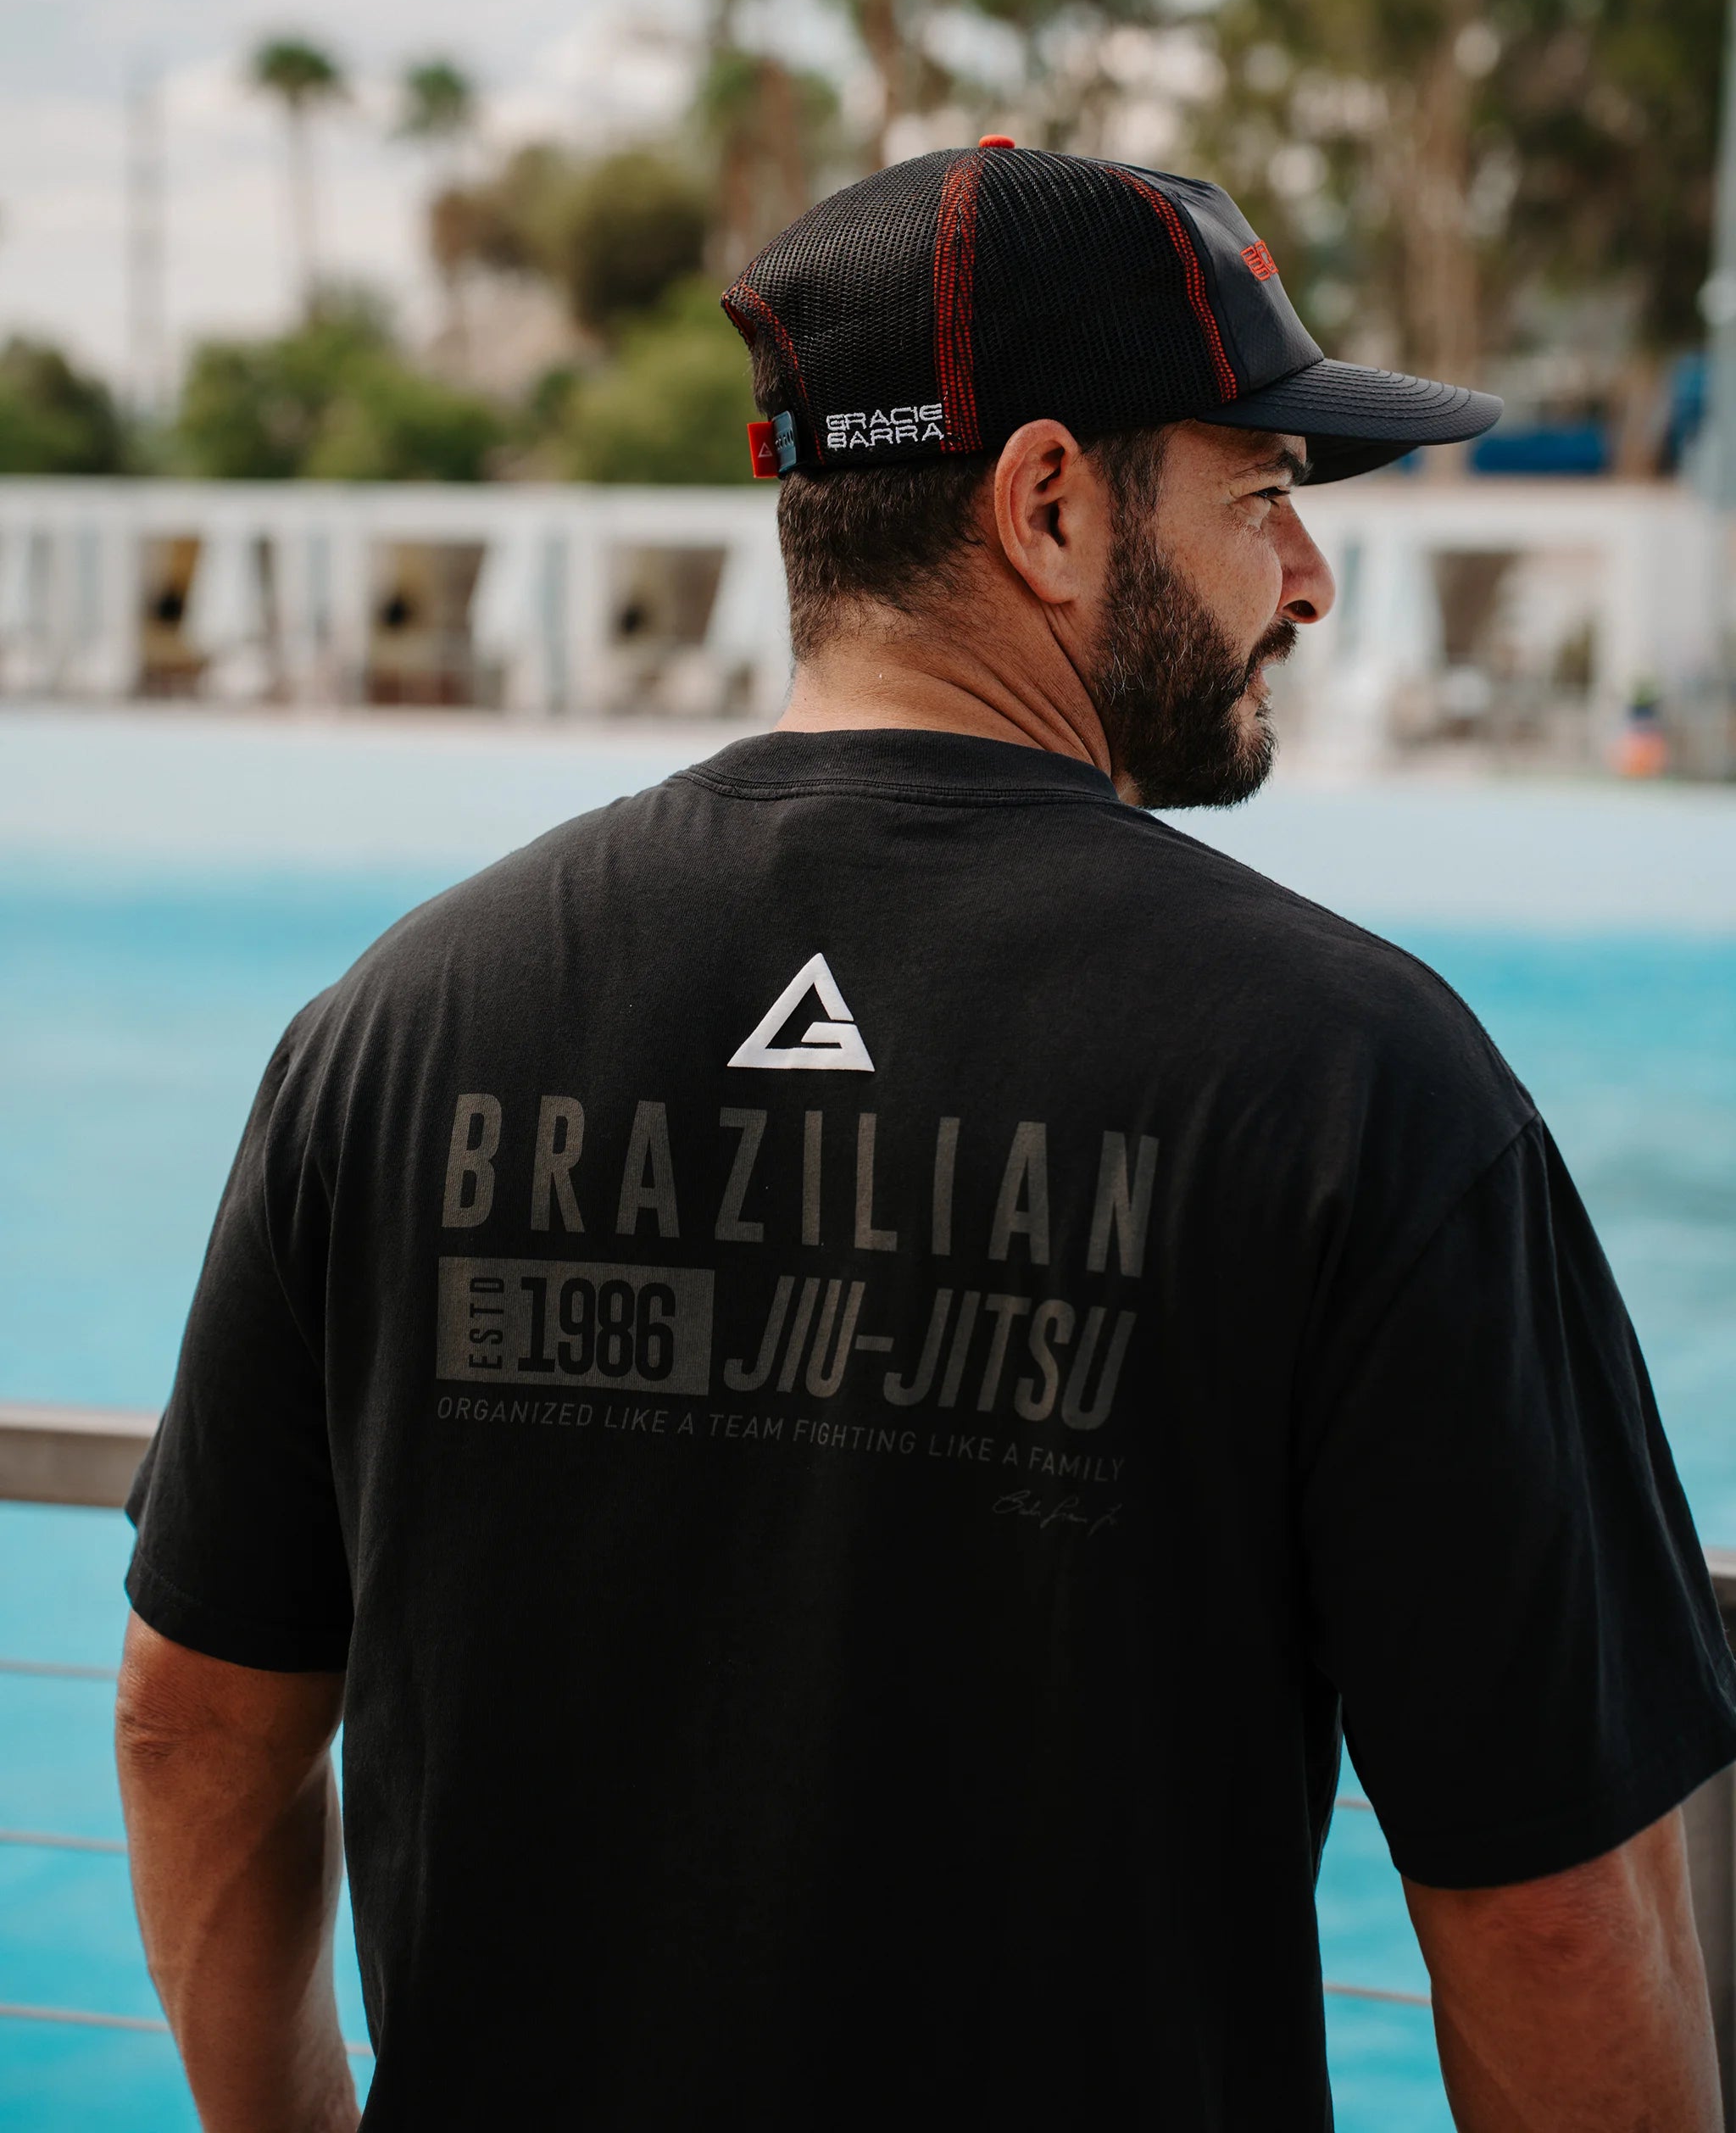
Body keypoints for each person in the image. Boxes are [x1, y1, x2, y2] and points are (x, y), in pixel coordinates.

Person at [119, 142, 1736, 2132]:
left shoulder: (392, 1028)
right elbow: (1559, 1922)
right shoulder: (1356, 1083)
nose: (1308, 579)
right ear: (1049, 504)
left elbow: (191, 1731)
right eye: (1264, 495)